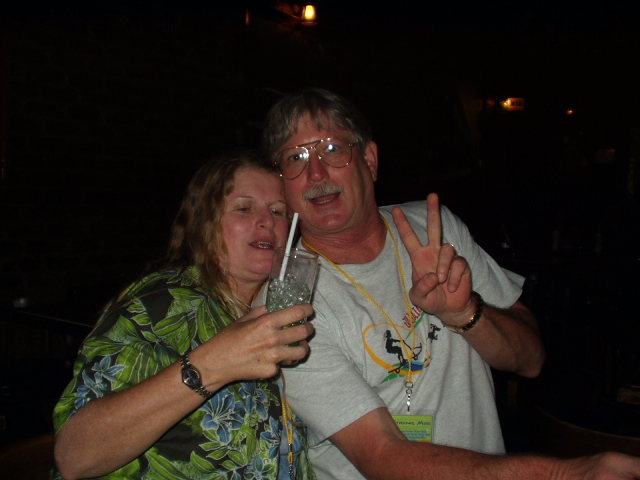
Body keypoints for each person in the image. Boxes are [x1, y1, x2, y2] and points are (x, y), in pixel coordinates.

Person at [262, 87, 640, 480]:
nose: (316, 173)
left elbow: (531, 361)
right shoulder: (286, 300)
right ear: (283, 185)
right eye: (295, 158)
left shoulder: (435, 230)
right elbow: (382, 456)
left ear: (370, 160)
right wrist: (560, 475)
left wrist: (466, 314)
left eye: (332, 149)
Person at [52, 151, 317, 480]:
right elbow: (75, 455)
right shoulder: (163, 305)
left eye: (278, 211)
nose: (267, 221)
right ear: (206, 221)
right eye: (244, 208)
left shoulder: (284, 312)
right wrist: (212, 365)